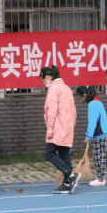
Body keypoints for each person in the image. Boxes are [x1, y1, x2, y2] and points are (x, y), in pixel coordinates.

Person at [42, 66, 79, 194]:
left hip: (58, 125)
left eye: (44, 78)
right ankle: (67, 184)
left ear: (48, 77)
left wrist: (50, 128)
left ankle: (70, 174)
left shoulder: (54, 88)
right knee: (64, 154)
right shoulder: (66, 88)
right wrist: (72, 125)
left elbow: (52, 110)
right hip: (67, 125)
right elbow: (74, 110)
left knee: (49, 153)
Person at [76, 86, 107, 186]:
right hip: (102, 133)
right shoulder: (96, 101)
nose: (79, 100)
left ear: (84, 95)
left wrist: (88, 136)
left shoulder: (93, 104)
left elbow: (93, 122)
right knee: (100, 156)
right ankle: (101, 177)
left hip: (100, 134)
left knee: (98, 156)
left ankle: (100, 179)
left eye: (80, 97)